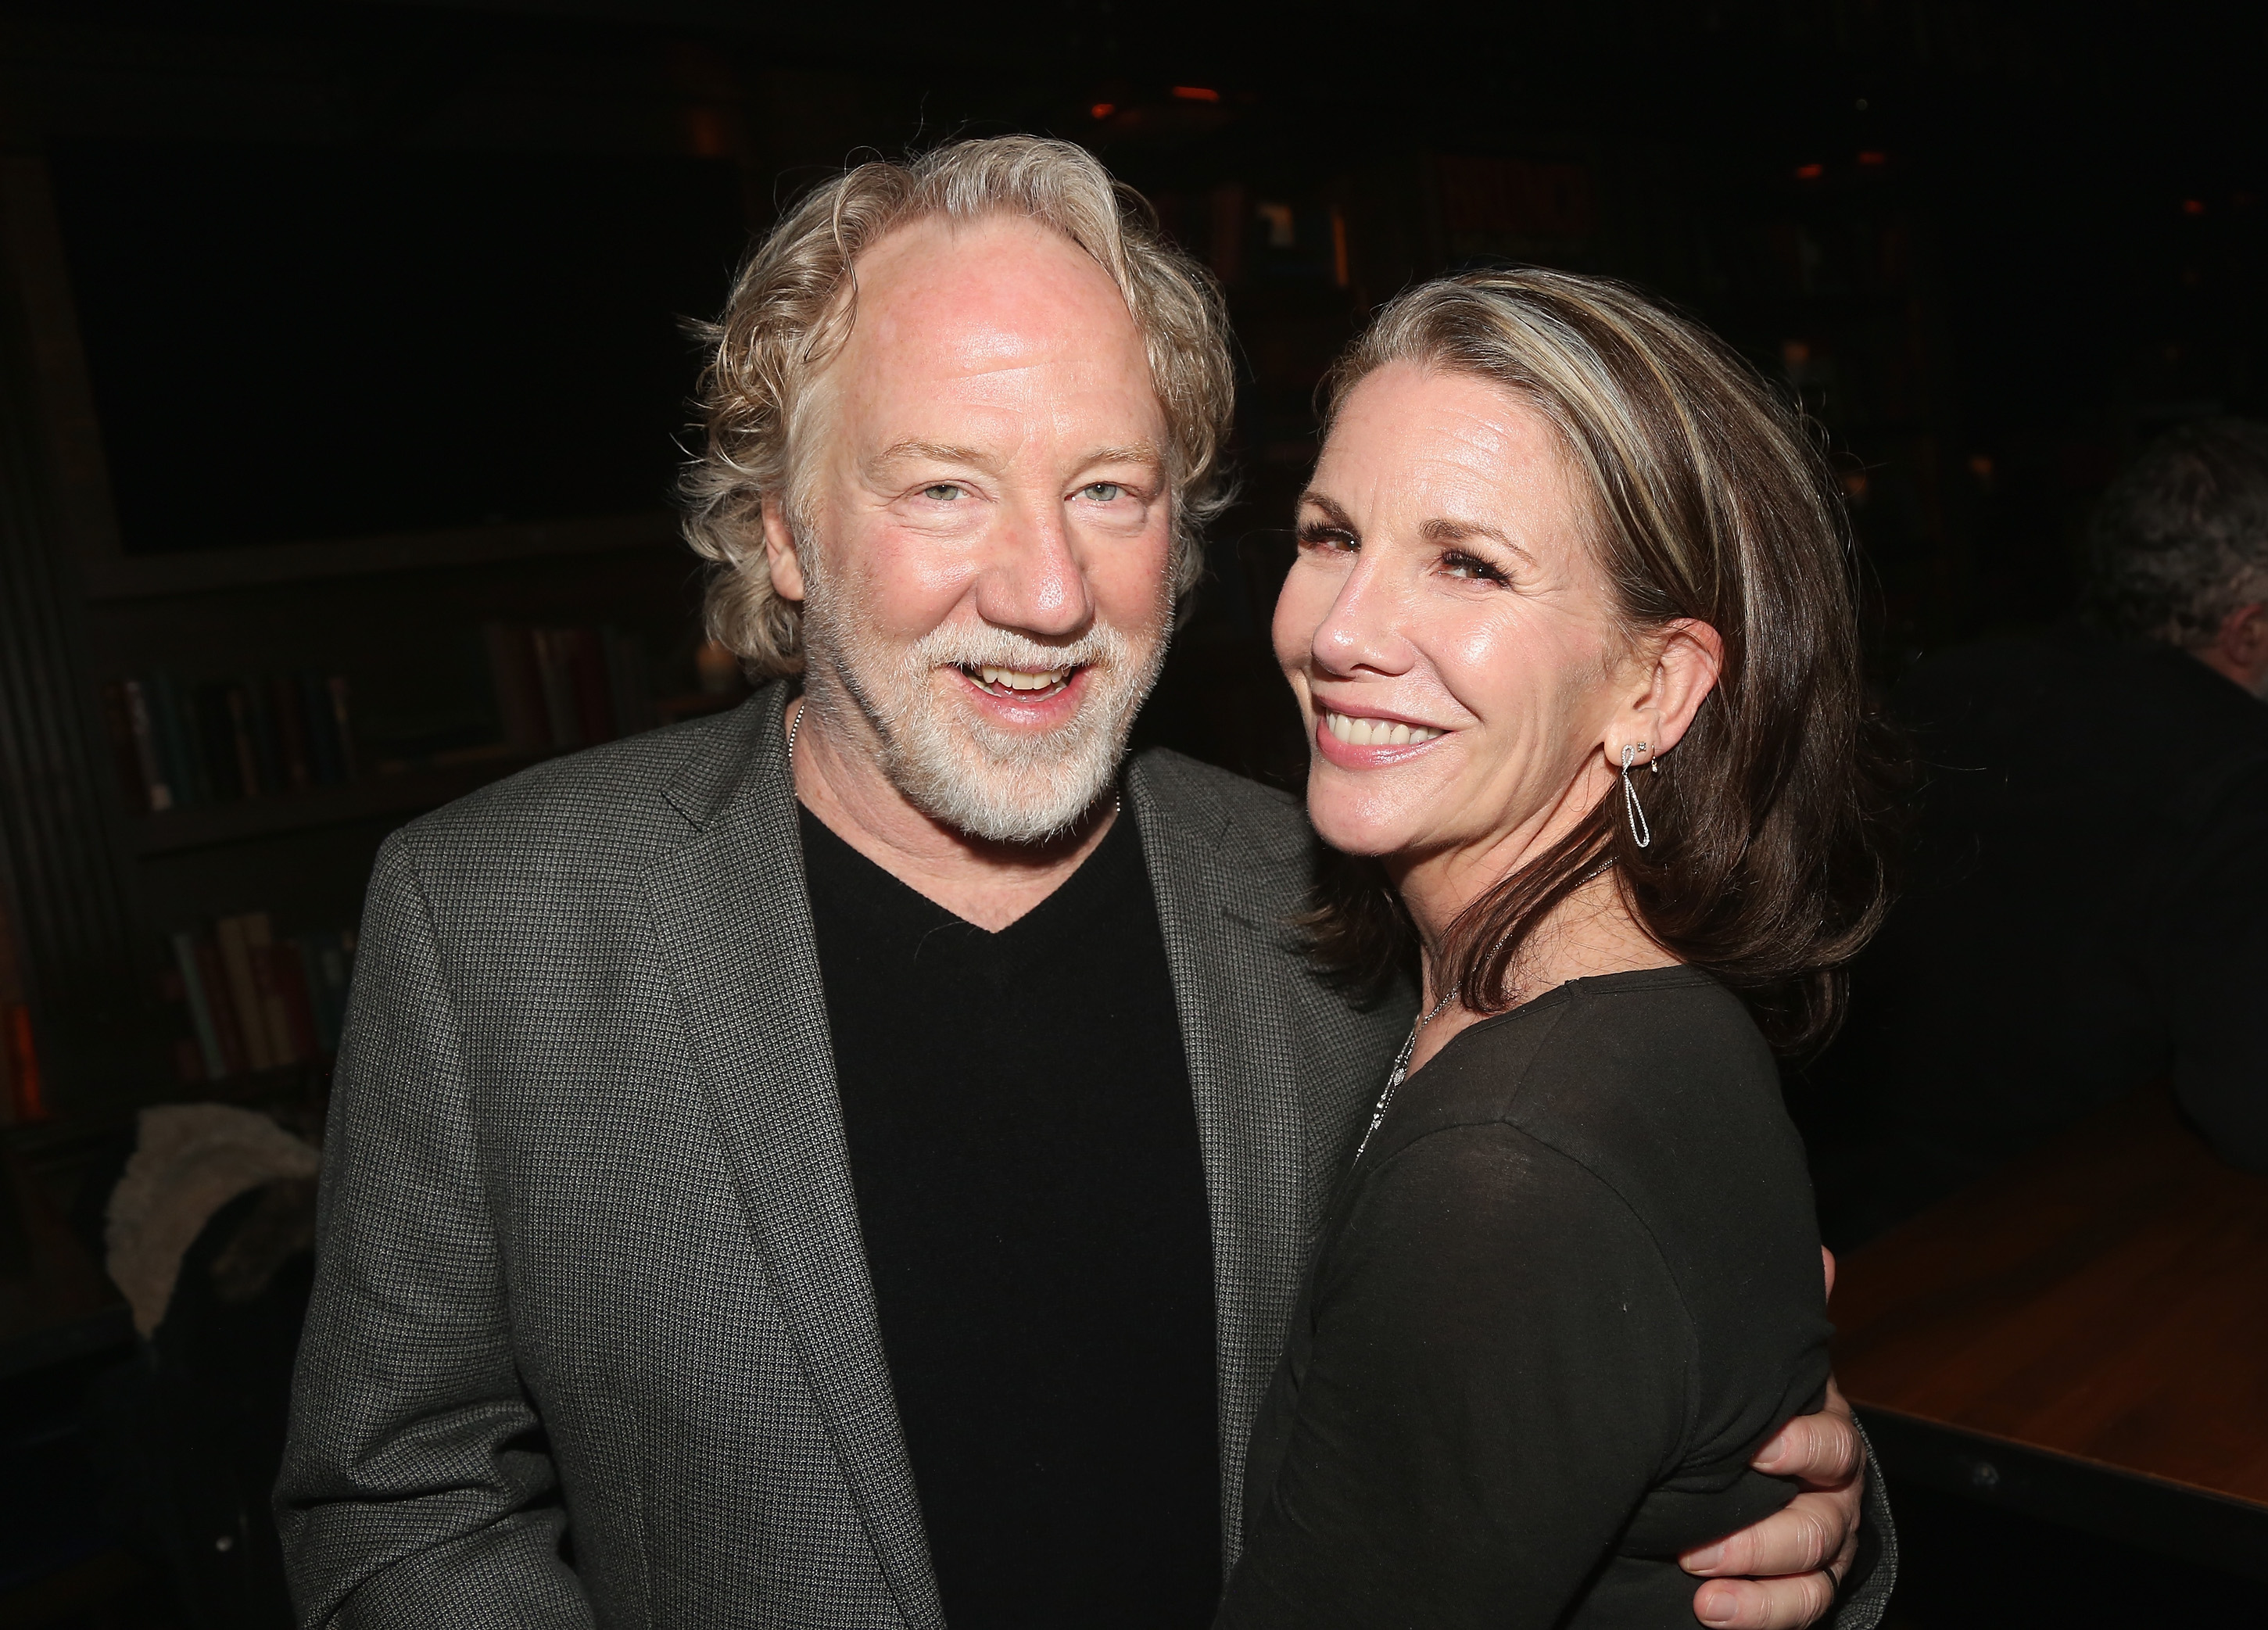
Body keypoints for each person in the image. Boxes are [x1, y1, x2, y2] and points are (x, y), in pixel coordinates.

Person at [274, 137, 1886, 1628]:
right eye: (945, 486)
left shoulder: (1343, 901)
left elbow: (1528, 1379)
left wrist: (1792, 1503)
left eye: (1108, 489)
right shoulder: (497, 924)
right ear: (779, 530)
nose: (1048, 590)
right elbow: (396, 1497)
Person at [1206, 270, 1896, 1628]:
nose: (1341, 632)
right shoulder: (1617, 1020)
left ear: (1654, 687)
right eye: (1332, 536)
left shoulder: (1520, 1160)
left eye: (1468, 563)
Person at [1801, 418, 2268, 1248]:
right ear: (2248, 632)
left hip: (1832, 1230)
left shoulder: (1941, 689)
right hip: (2059, 1266)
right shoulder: (2250, 775)